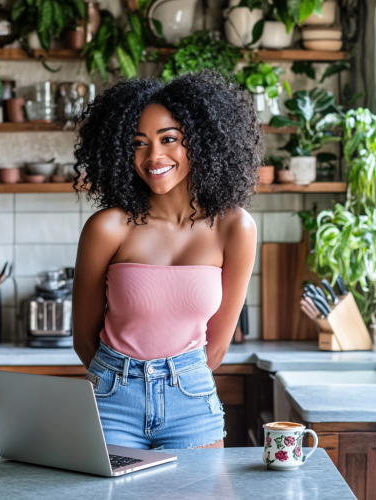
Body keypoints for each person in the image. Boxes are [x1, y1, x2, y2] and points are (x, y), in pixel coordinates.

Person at [72, 70, 262, 450]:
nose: (153, 156)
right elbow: (83, 339)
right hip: (112, 399)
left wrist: (177, 381)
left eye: (169, 139)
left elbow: (218, 346)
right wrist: (121, 381)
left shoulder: (235, 228)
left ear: (202, 141)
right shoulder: (107, 228)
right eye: (138, 143)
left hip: (191, 401)